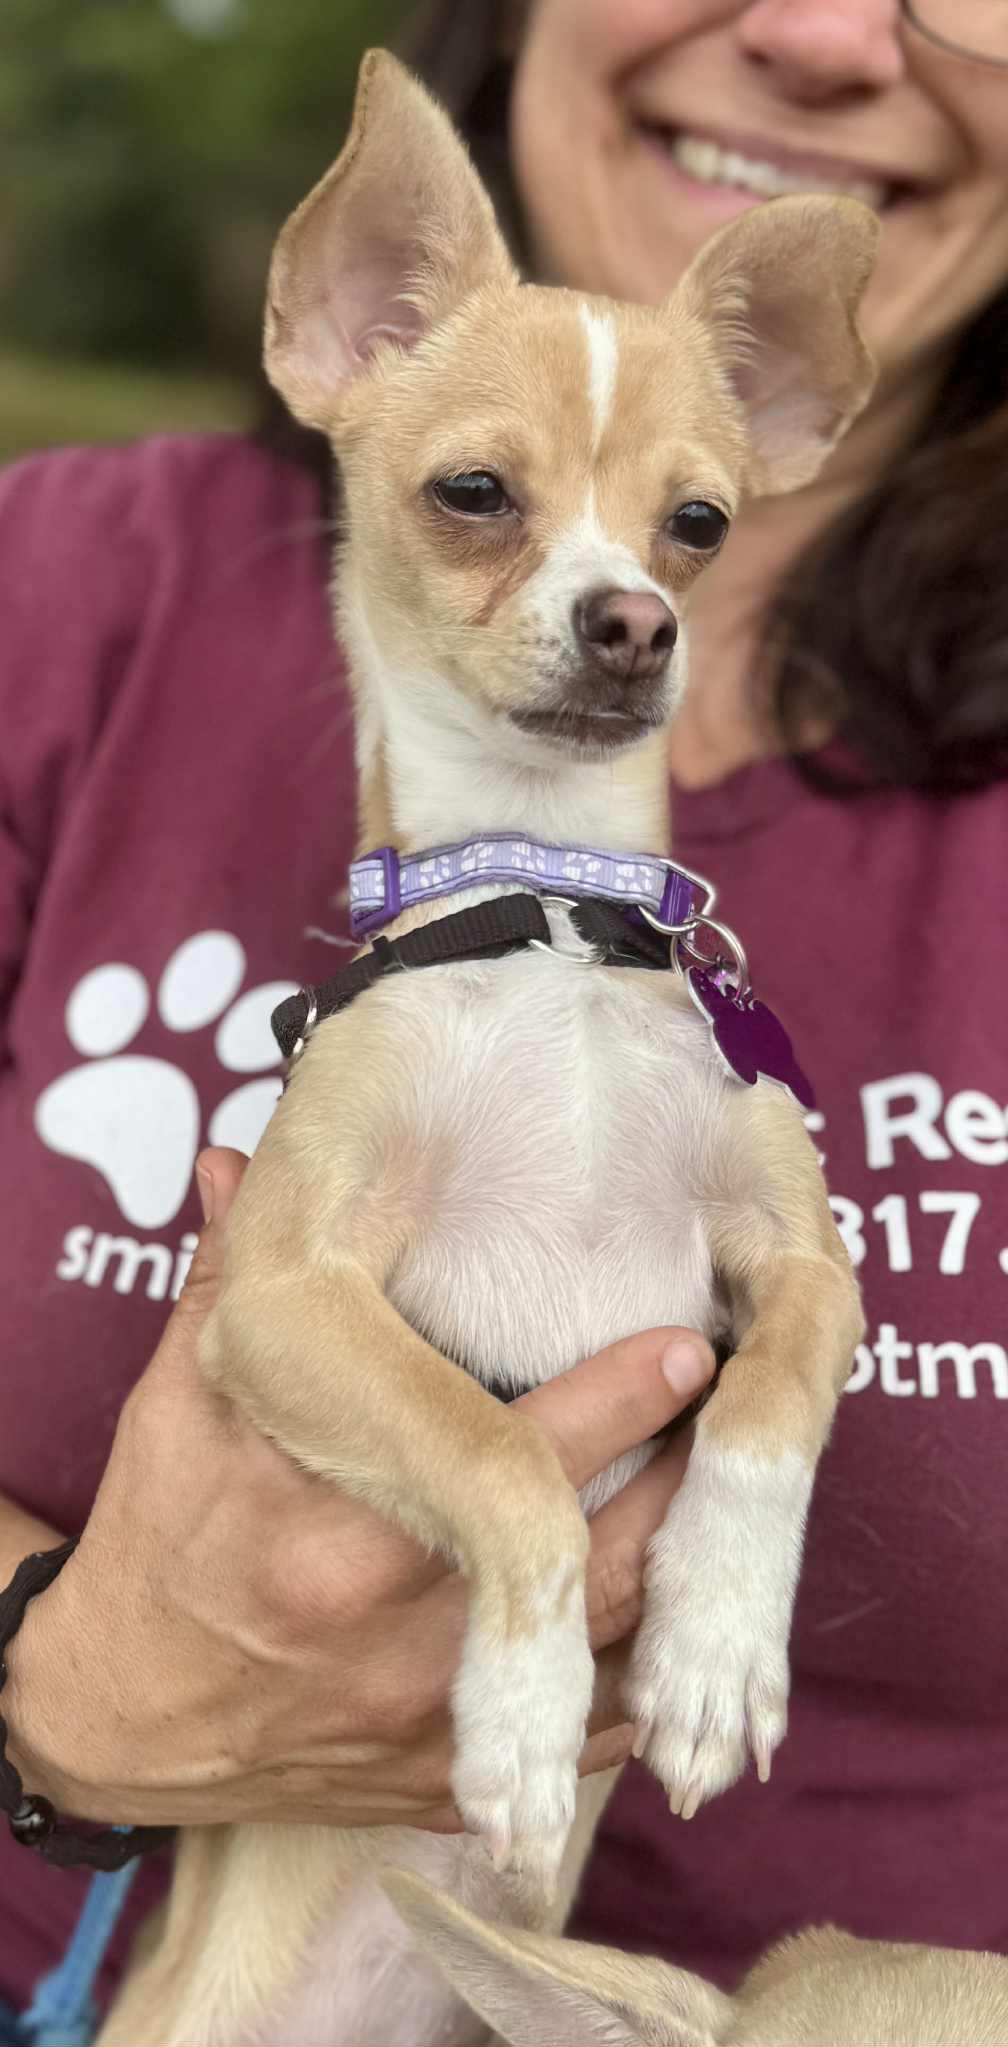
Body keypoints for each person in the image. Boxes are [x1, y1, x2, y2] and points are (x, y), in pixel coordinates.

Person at [1, 0, 1006, 2030]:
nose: (820, 34)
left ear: (777, 405)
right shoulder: (65, 593)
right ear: (345, 318)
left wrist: (744, 1477)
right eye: (481, 493)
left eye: (684, 531)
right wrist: (61, 1668)